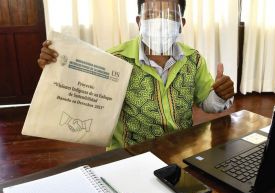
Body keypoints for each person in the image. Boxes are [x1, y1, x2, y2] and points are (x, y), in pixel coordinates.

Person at [37, 0, 234, 150]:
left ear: (181, 23)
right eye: (153, 15)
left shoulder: (194, 59)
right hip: (130, 154)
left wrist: (219, 95)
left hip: (181, 149)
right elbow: (83, 101)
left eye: (169, 17)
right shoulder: (114, 61)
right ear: (140, 22)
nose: (161, 23)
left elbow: (207, 104)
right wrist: (56, 71)